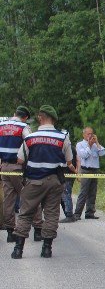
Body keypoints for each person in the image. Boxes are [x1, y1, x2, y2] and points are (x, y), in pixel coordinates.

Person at [10, 105, 73, 259]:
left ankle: (18, 250)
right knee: (51, 214)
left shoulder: (30, 138)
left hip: (33, 181)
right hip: (54, 181)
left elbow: (20, 159)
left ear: (40, 117)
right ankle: (47, 249)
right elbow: (69, 160)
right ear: (53, 119)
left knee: (25, 213)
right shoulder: (62, 137)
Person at [1, 106, 43, 242]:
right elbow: (31, 144)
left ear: (14, 114)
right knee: (31, 197)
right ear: (25, 117)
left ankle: (9, 232)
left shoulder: (1, 125)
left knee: (8, 200)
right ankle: (37, 230)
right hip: (18, 168)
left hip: (4, 167)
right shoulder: (23, 127)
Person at [73, 126, 105, 220]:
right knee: (83, 192)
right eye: (88, 134)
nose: (90, 135)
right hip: (85, 170)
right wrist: (89, 146)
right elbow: (83, 155)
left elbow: (102, 154)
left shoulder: (96, 145)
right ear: (84, 135)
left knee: (93, 192)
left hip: (94, 170)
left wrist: (97, 143)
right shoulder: (80, 144)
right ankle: (77, 214)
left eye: (92, 133)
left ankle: (90, 213)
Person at [60, 125, 78, 222]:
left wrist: (76, 172)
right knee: (63, 195)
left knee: (66, 194)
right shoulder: (73, 147)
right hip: (68, 174)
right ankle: (68, 213)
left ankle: (69, 215)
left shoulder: (68, 148)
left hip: (67, 174)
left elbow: (69, 163)